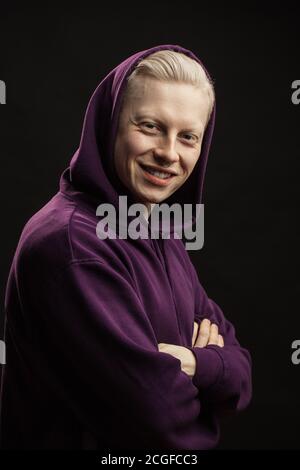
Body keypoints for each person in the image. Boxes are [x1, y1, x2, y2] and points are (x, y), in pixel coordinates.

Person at [0, 44, 252, 450]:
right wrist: (205, 378)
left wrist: (196, 364)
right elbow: (158, 422)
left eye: (188, 136)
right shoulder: (69, 245)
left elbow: (240, 376)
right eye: (150, 126)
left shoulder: (155, 228)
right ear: (110, 123)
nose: (169, 154)